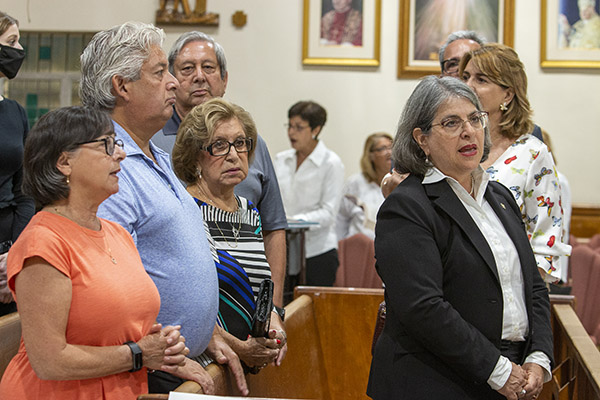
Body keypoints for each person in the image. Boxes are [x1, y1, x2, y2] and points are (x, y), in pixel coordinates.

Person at [79, 22, 247, 395]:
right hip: (149, 368)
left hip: (180, 355)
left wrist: (208, 332)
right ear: (122, 86)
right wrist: (160, 355)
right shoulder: (110, 164)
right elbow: (111, 287)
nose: (174, 82)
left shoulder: (153, 153)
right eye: (160, 72)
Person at [367, 76, 553, 400]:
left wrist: (539, 355)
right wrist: (498, 369)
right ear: (421, 139)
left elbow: (532, 284)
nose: (469, 131)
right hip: (435, 381)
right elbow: (423, 308)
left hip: (509, 374)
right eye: (451, 123)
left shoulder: (500, 197)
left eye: (475, 118)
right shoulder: (408, 206)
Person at [0, 106, 189, 399]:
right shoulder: (42, 242)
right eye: (106, 145)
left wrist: (161, 346)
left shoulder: (118, 234)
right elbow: (50, 361)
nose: (121, 155)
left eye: (118, 144)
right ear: (64, 162)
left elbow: (119, 325)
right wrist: (139, 354)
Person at [153, 31, 288, 319]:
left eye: (209, 67)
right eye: (188, 68)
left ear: (224, 80)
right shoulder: (151, 143)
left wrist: (272, 310)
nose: (199, 76)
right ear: (172, 81)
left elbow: (273, 227)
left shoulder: (253, 142)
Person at [172, 98, 287, 372]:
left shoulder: (249, 212)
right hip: (203, 365)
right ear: (195, 156)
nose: (234, 155)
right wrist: (241, 348)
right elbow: (182, 302)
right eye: (219, 145)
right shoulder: (184, 212)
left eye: (240, 143)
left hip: (250, 365)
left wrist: (273, 317)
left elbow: (259, 285)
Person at [460, 43, 570, 283]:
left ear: (508, 94)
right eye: (465, 76)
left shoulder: (532, 154)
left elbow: (545, 244)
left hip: (511, 296)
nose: (467, 86)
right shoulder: (451, 147)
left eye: (481, 79)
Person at [274, 101, 344, 287]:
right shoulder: (282, 160)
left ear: (316, 129)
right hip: (285, 250)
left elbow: (328, 213)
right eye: (289, 125)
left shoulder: (331, 163)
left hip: (317, 252)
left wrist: (293, 221)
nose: (291, 132)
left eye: (298, 127)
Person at [0, 10, 34, 317]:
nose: (19, 51)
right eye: (12, 41)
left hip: (8, 240)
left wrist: (15, 253)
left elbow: (25, 190)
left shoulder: (14, 112)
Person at [337, 132, 392, 241]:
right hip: (359, 248)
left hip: (387, 246)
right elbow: (340, 218)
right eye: (383, 148)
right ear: (371, 155)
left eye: (392, 147)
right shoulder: (355, 183)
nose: (389, 152)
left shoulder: (398, 182)